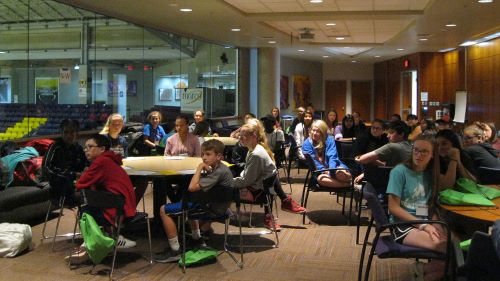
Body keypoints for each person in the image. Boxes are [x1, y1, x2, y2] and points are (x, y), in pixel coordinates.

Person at [154, 139, 234, 263]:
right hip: (216, 204)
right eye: (202, 154)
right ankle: (197, 238)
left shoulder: (218, 172)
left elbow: (192, 187)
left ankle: (175, 250)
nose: (204, 158)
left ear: (219, 156)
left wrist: (199, 169)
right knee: (191, 199)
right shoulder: (221, 168)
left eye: (208, 154)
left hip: (212, 209)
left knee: (163, 210)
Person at [386, 135, 447, 281]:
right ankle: (422, 270)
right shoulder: (399, 171)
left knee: (453, 244)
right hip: (402, 224)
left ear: (432, 155)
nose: (419, 155)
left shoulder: (430, 175)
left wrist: (435, 223)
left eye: (424, 151)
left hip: (423, 220)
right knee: (447, 249)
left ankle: (421, 272)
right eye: (416, 150)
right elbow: (393, 208)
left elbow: (427, 206)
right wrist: (424, 225)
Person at [70, 134, 137, 264]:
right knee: (90, 202)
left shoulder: (101, 161)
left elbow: (80, 183)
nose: (86, 150)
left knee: (83, 209)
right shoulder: (108, 159)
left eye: (90, 147)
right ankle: (109, 239)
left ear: (102, 149)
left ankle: (94, 245)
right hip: (124, 206)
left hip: (118, 210)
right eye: (85, 147)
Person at [233, 120, 306, 231]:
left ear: (253, 136)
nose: (240, 138)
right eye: (240, 135)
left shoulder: (256, 154)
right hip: (264, 189)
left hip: (257, 193)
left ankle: (224, 216)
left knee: (221, 189)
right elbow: (247, 173)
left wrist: (228, 181)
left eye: (244, 136)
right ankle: (284, 202)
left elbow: (245, 181)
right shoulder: (255, 149)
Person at [43, 119, 87, 206]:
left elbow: (84, 165)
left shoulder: (78, 148)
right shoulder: (55, 147)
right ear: (61, 133)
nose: (68, 136)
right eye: (65, 132)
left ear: (76, 134)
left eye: (72, 133)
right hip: (57, 180)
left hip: (74, 180)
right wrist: (72, 174)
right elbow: (46, 168)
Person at [302, 120, 352, 188]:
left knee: (341, 175)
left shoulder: (330, 139)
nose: (314, 133)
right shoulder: (306, 144)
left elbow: (332, 156)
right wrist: (326, 172)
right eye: (313, 130)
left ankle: (348, 181)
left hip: (334, 167)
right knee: (321, 180)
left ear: (323, 133)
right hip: (320, 171)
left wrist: (332, 171)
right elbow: (314, 163)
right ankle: (349, 185)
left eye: (318, 131)